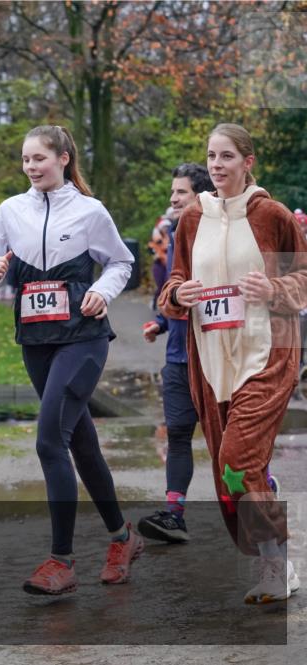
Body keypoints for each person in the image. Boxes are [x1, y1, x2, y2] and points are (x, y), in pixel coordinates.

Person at [0, 125, 141, 595]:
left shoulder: (90, 211)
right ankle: (122, 538)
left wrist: (100, 292)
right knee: (81, 442)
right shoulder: (9, 212)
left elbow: (121, 263)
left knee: (50, 440)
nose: (31, 167)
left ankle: (61, 560)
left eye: (39, 159)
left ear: (63, 158)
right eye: (25, 160)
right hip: (37, 342)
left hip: (83, 339)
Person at [159, 123, 303, 604]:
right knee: (232, 477)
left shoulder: (272, 215)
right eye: (211, 157)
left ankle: (275, 565)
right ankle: (278, 555)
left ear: (248, 162)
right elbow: (173, 284)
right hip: (212, 360)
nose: (217, 166)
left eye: (226, 157)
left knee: (235, 462)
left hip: (266, 355)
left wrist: (276, 289)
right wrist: (178, 294)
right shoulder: (193, 218)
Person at [138, 163, 214, 543]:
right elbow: (171, 291)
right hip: (178, 356)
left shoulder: (221, 235)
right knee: (179, 434)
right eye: (172, 192)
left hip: (217, 357)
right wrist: (162, 322)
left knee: (229, 440)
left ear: (200, 196)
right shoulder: (171, 236)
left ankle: (258, 491)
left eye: (180, 192)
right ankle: (174, 514)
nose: (172, 198)